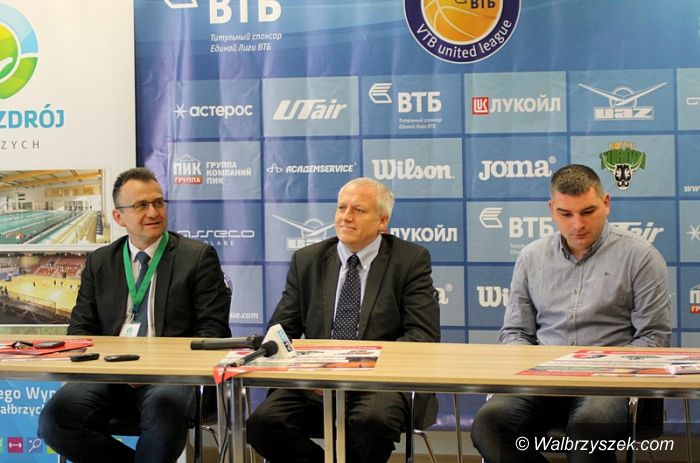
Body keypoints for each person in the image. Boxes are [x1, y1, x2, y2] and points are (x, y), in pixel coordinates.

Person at [471, 164, 671, 463]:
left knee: (589, 427)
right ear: (551, 210)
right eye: (565, 214)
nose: (577, 224)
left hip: (608, 383)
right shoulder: (532, 257)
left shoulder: (641, 256)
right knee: (489, 424)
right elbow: (515, 332)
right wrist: (534, 367)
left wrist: (606, 370)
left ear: (606, 203)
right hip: (543, 381)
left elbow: (653, 337)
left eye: (588, 211)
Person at [38, 167, 231, 463]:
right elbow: (80, 331)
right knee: (56, 421)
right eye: (141, 205)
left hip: (169, 376)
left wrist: (153, 368)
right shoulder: (101, 261)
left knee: (164, 411)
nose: (153, 212)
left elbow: (212, 333)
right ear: (119, 217)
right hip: (109, 374)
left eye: (158, 202)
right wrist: (111, 369)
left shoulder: (196, 257)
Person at [246, 177, 440, 463]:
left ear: (382, 221)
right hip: (315, 383)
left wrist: (359, 371)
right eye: (341, 208)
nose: (346, 217)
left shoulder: (410, 260)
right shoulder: (308, 260)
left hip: (379, 384)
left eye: (358, 210)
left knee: (371, 423)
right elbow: (281, 331)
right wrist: (309, 370)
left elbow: (422, 335)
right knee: (263, 424)